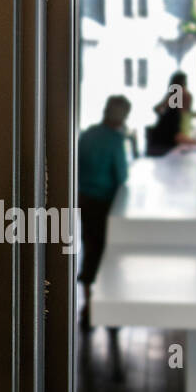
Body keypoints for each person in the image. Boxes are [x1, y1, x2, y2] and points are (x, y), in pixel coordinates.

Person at [78, 95, 132, 329]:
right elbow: (121, 176)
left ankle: (88, 305)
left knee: (89, 248)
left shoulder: (87, 135)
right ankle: (107, 308)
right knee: (107, 255)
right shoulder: (115, 141)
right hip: (106, 203)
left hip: (84, 200)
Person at [146, 72, 192, 156]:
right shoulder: (172, 110)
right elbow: (178, 137)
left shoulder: (174, 109)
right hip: (164, 149)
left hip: (167, 146)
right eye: (184, 85)